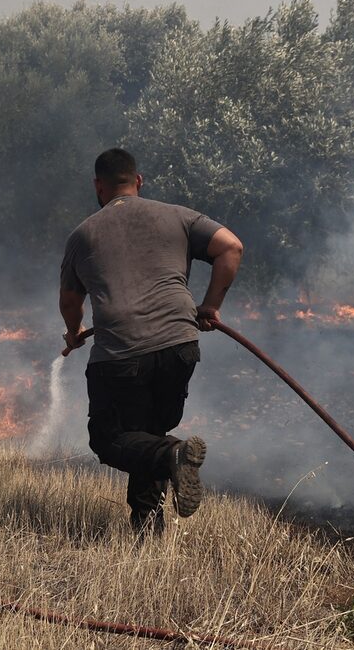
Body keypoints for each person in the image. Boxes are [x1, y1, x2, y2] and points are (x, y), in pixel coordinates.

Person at [59, 147, 243, 536]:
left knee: (109, 439)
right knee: (146, 435)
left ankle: (172, 455)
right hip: (179, 348)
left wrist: (74, 332)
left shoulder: (83, 234)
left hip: (120, 355)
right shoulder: (179, 216)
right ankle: (147, 532)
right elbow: (231, 247)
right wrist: (210, 305)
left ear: (98, 186)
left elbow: (71, 301)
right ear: (138, 181)